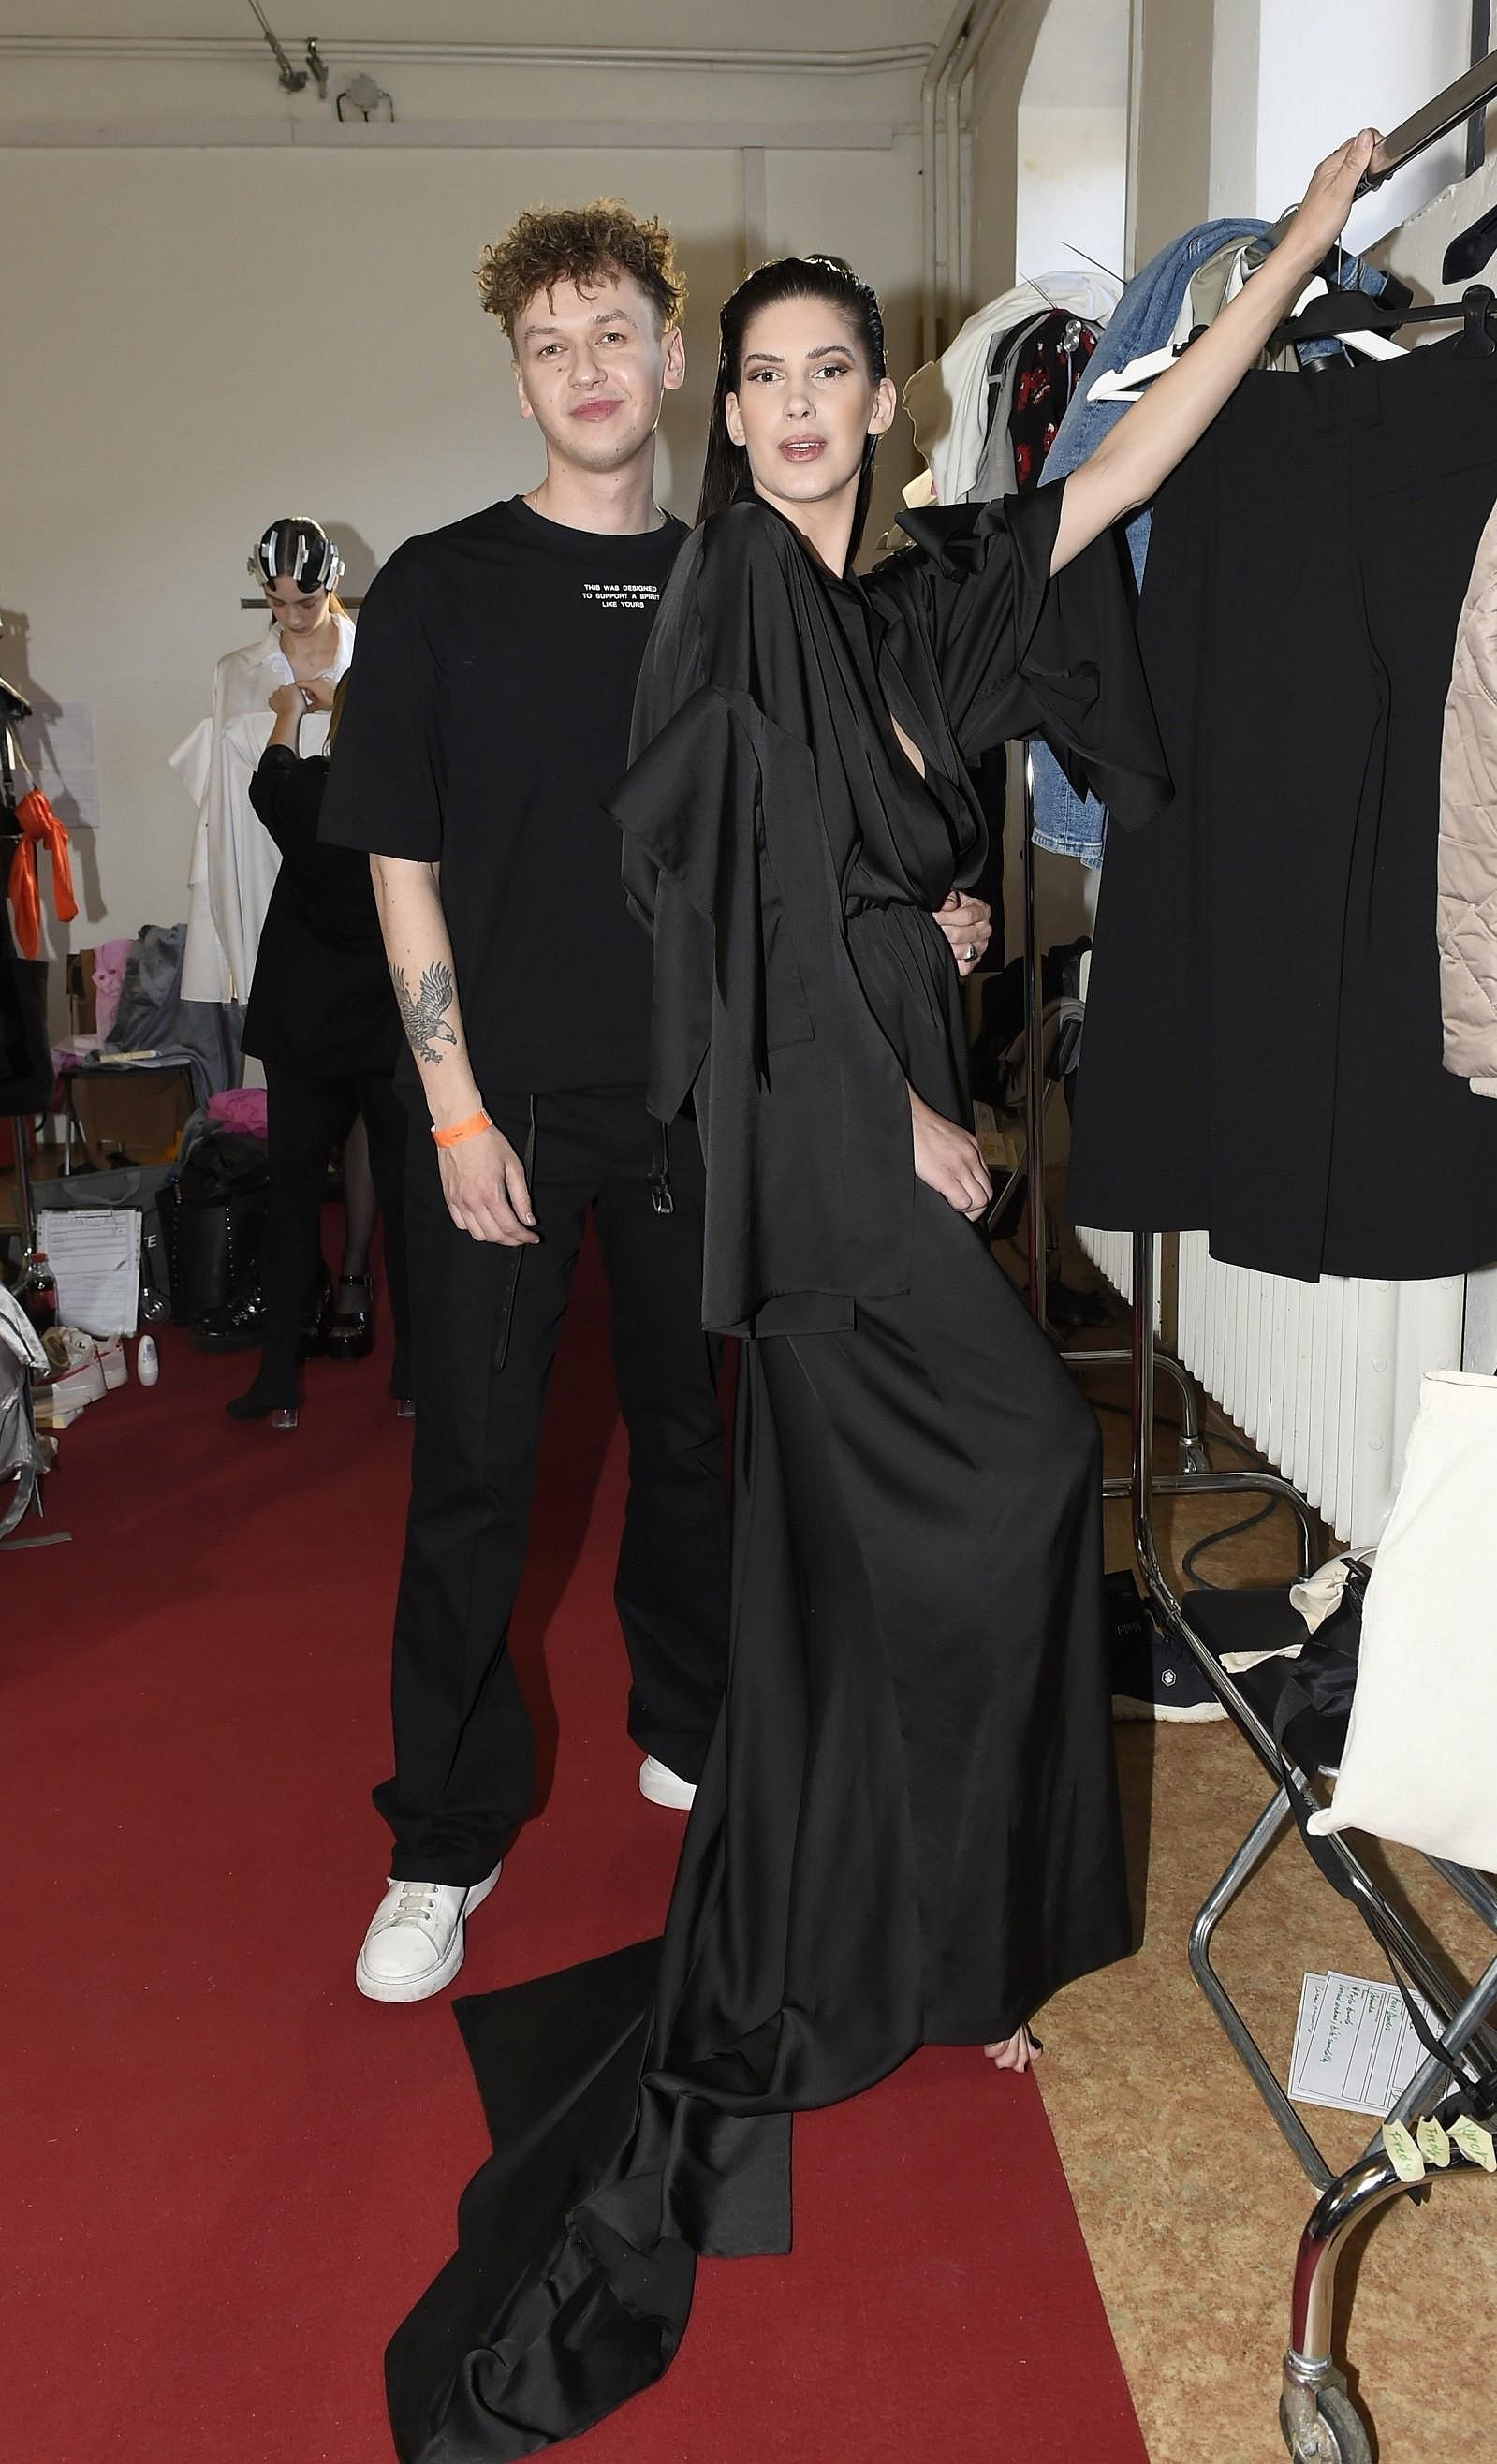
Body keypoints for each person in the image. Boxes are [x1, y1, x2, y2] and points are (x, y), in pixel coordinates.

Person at [382, 133, 1383, 2461]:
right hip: (813, 1120)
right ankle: (930, 1936)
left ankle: (953, 1947)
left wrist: (1289, 261)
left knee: (881, 1557)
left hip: (895, 1070)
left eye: (832, 369)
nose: (799, 404)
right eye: (766, 377)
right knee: (1012, 1487)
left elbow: (1128, 456)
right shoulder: (725, 596)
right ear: (727, 414)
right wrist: (898, 1106)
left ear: (882, 401)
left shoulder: (936, 585)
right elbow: (721, 919)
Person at [322, 200, 992, 2009]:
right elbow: (398, 861)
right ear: (519, 379)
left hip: (706, 1098)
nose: (586, 369)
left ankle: (689, 1723)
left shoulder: (739, 585)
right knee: (475, 1469)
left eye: (612, 334)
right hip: (507, 1111)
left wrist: (924, 916)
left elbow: (811, 839)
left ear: (671, 356)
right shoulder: (441, 588)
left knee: (688, 1445)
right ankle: (441, 1838)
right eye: (548, 346)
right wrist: (451, 1112)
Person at [173, 520, 394, 1365]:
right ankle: (293, 1284)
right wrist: (226, 935)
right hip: (280, 912)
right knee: (296, 1117)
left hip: (366, 916)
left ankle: (353, 1275)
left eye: (305, 601)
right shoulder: (237, 671)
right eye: (274, 601)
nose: (291, 616)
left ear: (332, 584)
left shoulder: (378, 657)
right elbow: (221, 813)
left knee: (373, 1104)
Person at [225, 672, 411, 1429]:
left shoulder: (307, 792)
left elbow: (266, 776)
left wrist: (290, 711)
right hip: (390, 1023)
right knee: (405, 1203)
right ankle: (414, 1375)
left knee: (293, 1200)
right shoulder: (413, 803)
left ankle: (278, 1379)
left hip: (303, 1024)